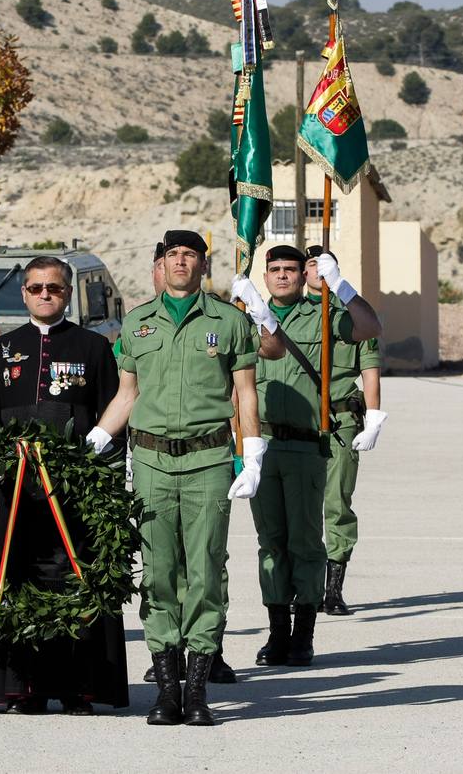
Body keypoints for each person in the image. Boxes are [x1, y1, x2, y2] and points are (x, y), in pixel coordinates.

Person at [89, 230, 280, 726]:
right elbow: (127, 395)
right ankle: (166, 691)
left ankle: (196, 692)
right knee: (157, 575)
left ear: (202, 264)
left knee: (204, 572)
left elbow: (245, 394)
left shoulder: (230, 322)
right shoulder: (136, 324)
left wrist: (252, 452)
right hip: (151, 462)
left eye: (189, 255)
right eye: (172, 255)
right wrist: (97, 438)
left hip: (207, 462)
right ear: (161, 264)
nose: (180, 262)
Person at [0, 255, 127, 715]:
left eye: (54, 288)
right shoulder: (1, 350)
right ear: (23, 293)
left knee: (73, 579)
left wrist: (109, 487)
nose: (44, 294)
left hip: (75, 489)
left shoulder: (94, 348)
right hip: (15, 490)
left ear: (66, 292)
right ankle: (24, 688)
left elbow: (111, 419)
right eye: (36, 287)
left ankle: (78, 688)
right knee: (16, 579)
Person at [239, 245, 383, 665]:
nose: (282, 276)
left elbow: (370, 326)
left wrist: (340, 285)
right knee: (270, 543)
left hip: (304, 444)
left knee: (304, 541)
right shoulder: (245, 318)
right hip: (261, 445)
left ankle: (303, 635)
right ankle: (276, 633)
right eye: (274, 270)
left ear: (304, 275)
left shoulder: (322, 315)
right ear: (264, 276)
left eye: (290, 269)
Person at [294, 246, 387, 616]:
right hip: (300, 423)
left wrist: (375, 416)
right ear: (303, 273)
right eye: (311, 264)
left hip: (341, 422)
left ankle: (333, 589)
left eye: (324, 264)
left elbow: (370, 371)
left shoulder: (354, 318)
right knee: (301, 509)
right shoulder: (292, 316)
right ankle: (306, 586)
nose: (317, 270)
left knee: (336, 504)